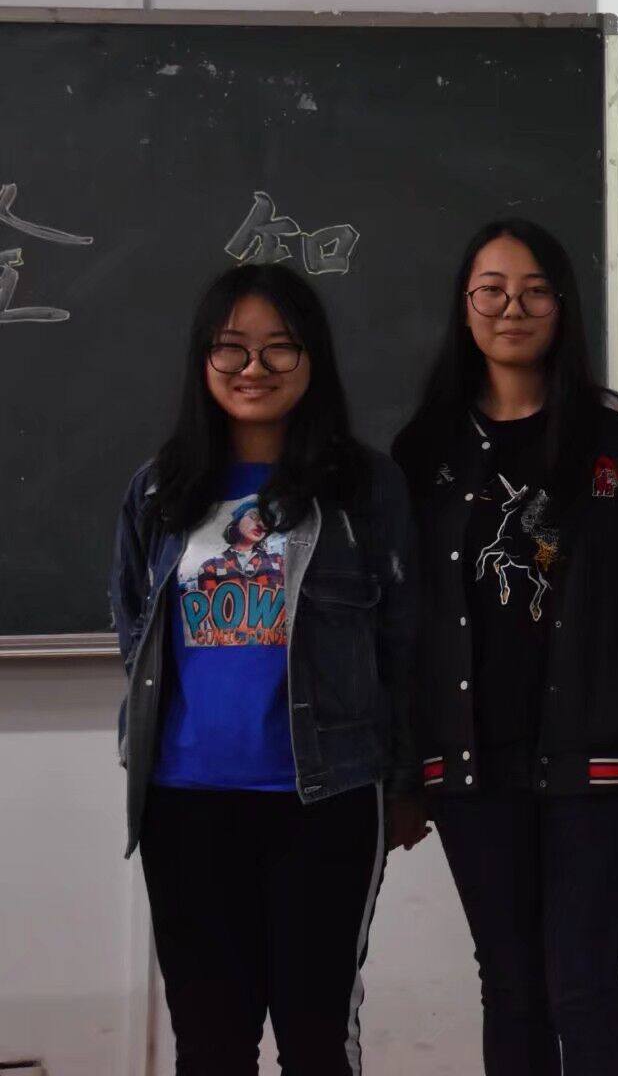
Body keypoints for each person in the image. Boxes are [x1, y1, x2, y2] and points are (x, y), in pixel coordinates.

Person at [393, 219, 618, 1075]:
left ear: (563, 306)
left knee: (584, 983)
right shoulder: (423, 448)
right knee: (511, 987)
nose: (513, 308)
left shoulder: (613, 431)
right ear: (465, 306)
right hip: (471, 759)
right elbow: (407, 619)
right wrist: (403, 771)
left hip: (595, 751)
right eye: (492, 290)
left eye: (535, 291)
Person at [111, 264, 424, 1075]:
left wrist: (405, 784)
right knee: (210, 1046)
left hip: (323, 799)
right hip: (183, 802)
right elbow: (134, 627)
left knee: (316, 1042)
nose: (254, 368)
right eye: (233, 348)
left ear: (313, 359)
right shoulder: (159, 490)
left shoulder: (364, 490)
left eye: (280, 347)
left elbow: (403, 642)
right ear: (204, 360)